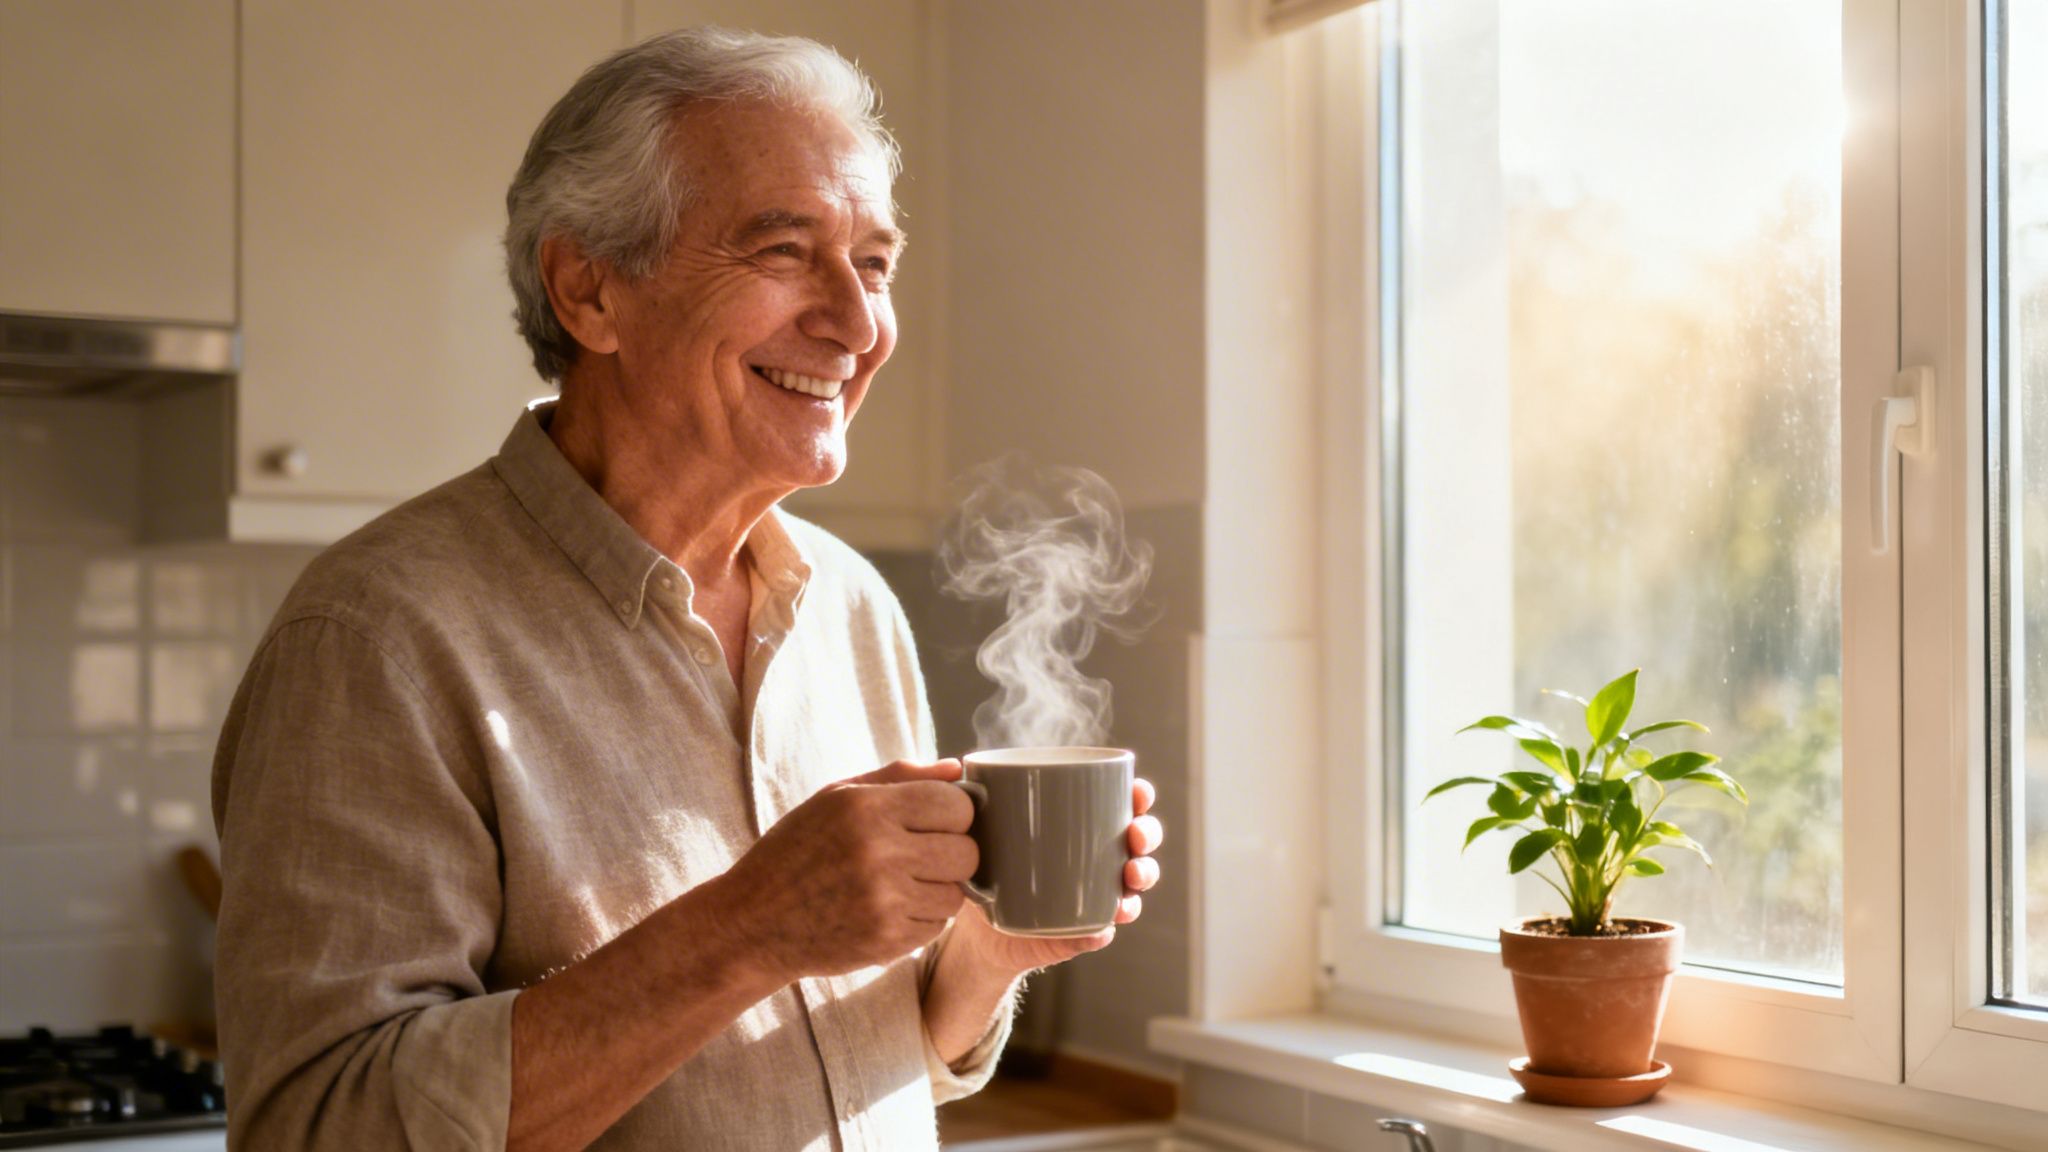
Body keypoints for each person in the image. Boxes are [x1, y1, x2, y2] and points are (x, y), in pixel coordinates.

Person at [209, 26, 1163, 1152]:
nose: (856, 327)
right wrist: (748, 928)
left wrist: (987, 953)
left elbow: (842, 1060)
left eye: (872, 263)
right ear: (588, 289)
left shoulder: (851, 607)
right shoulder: (377, 636)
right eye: (783, 251)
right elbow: (321, 1129)